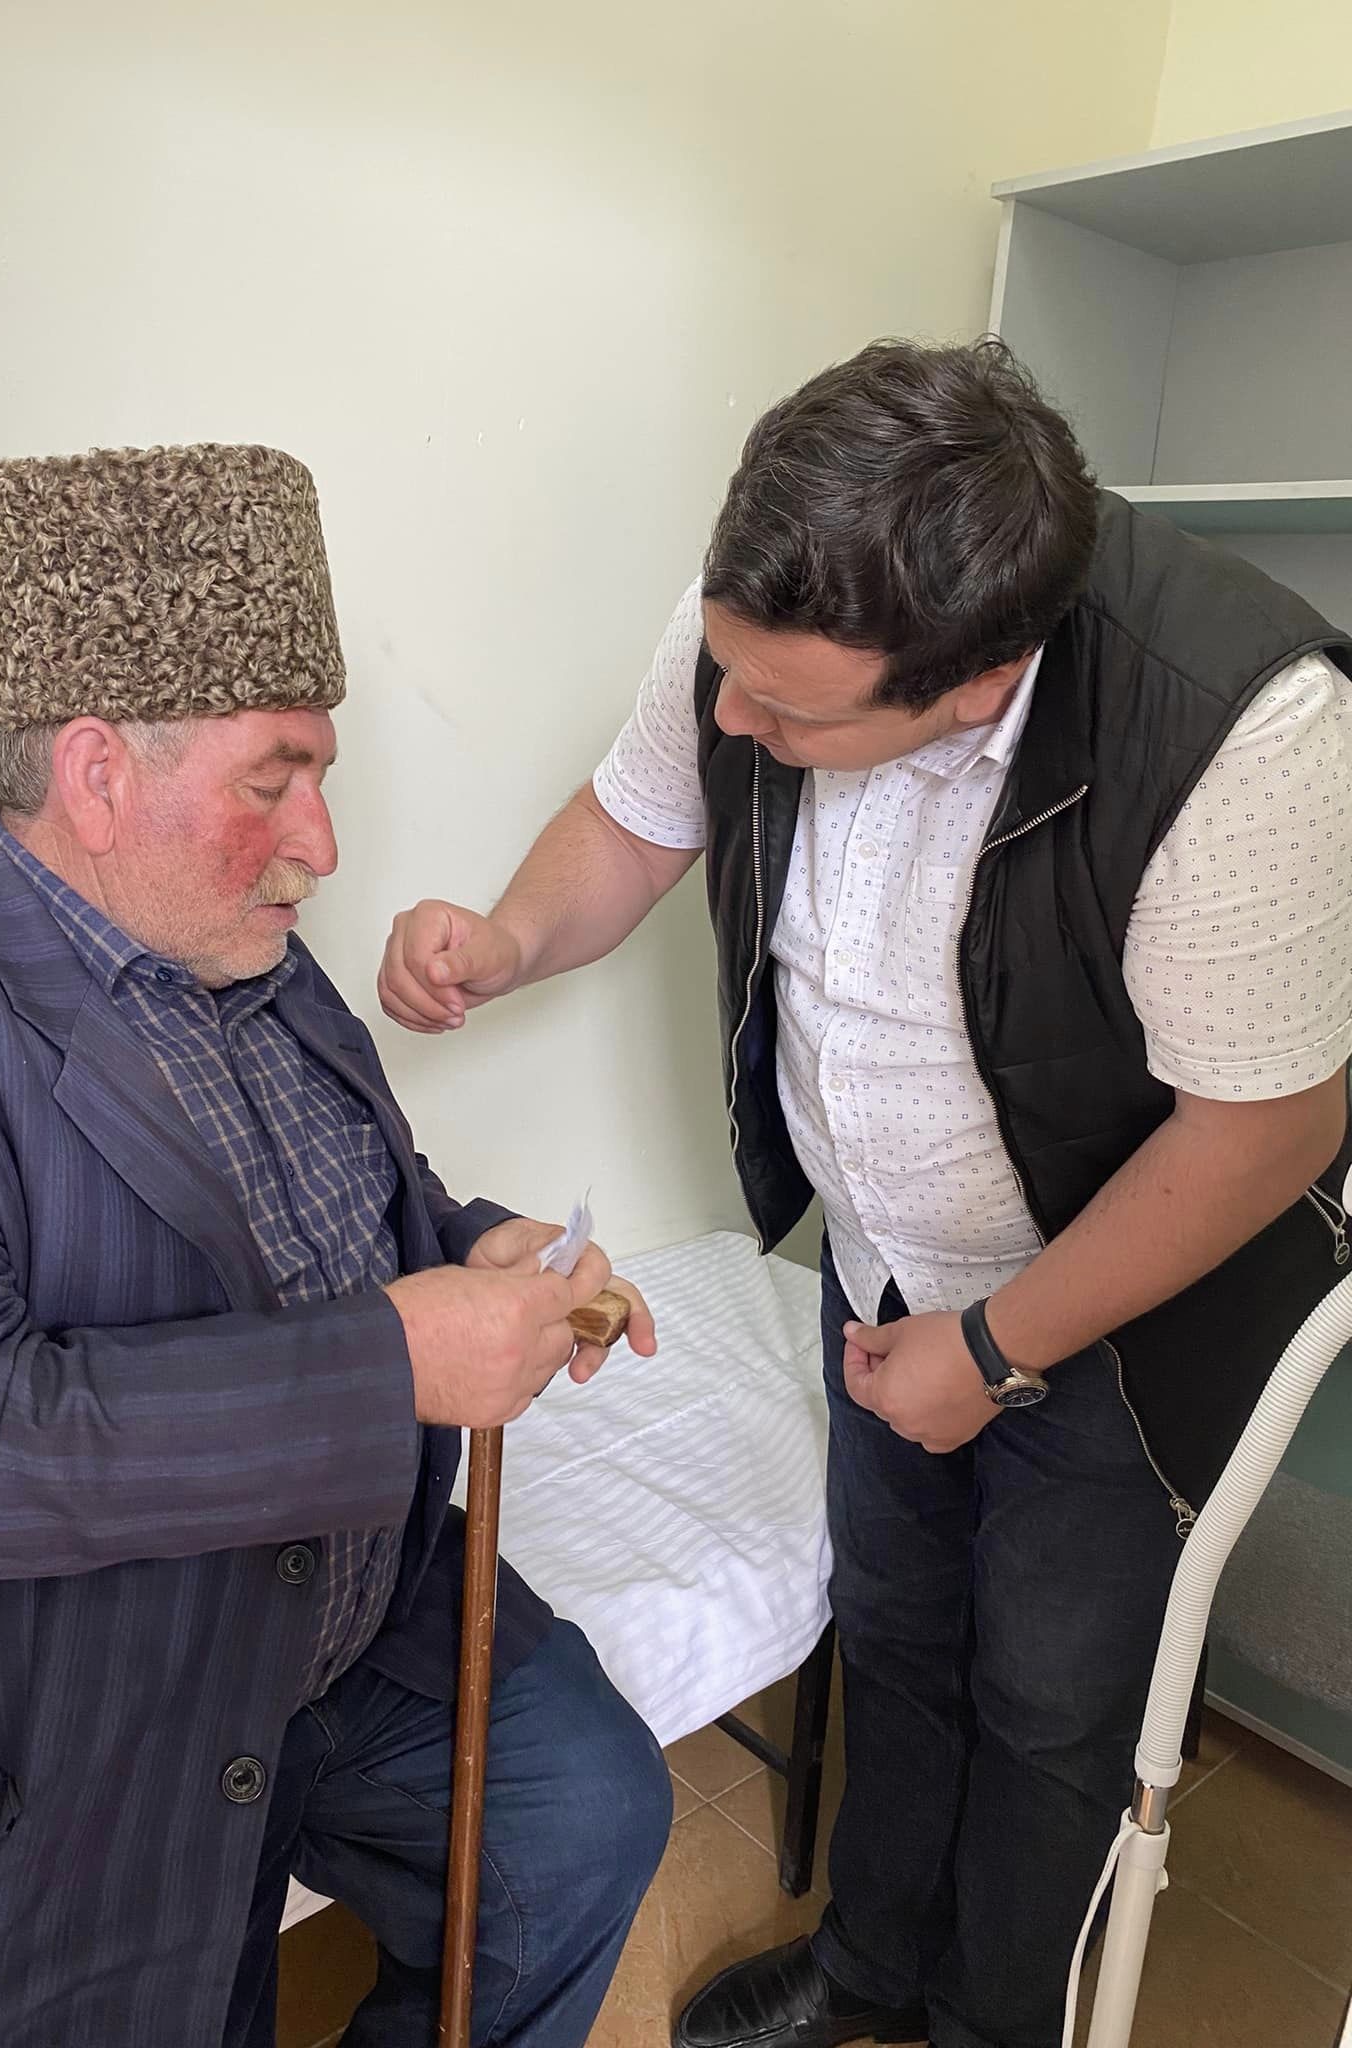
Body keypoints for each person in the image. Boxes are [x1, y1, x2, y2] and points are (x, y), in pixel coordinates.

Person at [379, 340, 1352, 2048]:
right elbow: (638, 820)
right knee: (892, 1621)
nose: (732, 721)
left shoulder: (1247, 732)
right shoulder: (777, 618)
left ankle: (988, 2020)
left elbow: (1262, 1136)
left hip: (1123, 1305)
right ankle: (873, 1963)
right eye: (729, 679)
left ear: (979, 684)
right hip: (885, 1256)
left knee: (1051, 1700)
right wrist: (512, 940)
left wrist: (995, 1348)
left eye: (785, 715)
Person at [0, 442, 669, 2048]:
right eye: (274, 783)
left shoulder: (249, 953)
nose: (323, 844)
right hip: (108, 1687)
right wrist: (395, 1366)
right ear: (97, 774)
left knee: (584, 1820)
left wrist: (477, 1247)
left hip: (348, 1620)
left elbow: (352, 1203)